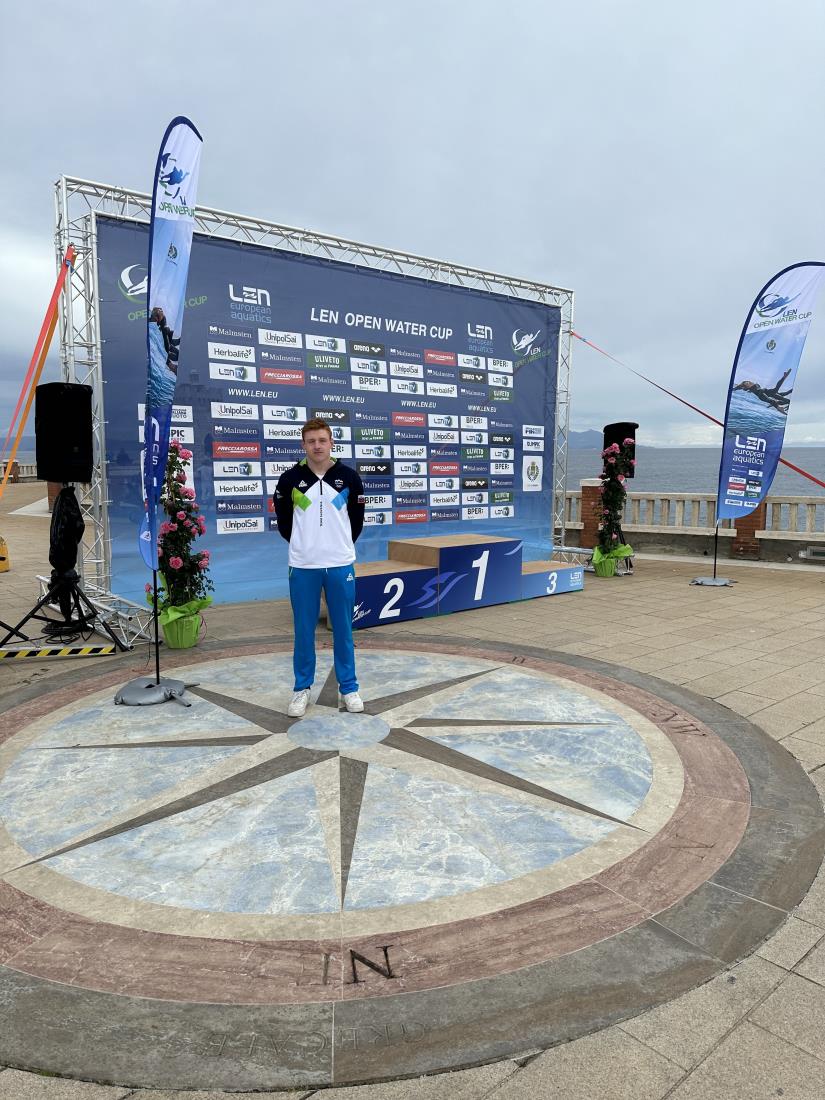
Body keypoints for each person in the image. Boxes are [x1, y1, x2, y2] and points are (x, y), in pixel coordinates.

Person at [274, 418, 366, 716]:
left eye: (322, 440)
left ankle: (349, 687)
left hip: (340, 564)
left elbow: (356, 522)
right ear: (303, 444)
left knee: (344, 629)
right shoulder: (289, 479)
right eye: (311, 441)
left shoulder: (349, 477)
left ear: (331, 443)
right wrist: (305, 546)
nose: (317, 446)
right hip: (303, 566)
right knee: (304, 630)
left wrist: (338, 546)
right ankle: (302, 688)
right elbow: (285, 524)